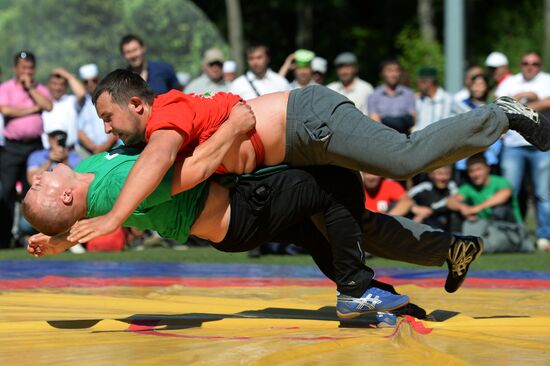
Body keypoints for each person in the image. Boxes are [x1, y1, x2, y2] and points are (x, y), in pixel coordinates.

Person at [66, 69, 550, 249]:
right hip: (294, 151)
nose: (105, 129)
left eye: (108, 116)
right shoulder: (143, 139)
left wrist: (114, 218)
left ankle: (499, 114)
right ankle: (449, 249)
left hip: (309, 122)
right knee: (348, 224)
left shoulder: (164, 115)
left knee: (403, 159)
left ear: (135, 103)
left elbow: (156, 165)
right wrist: (63, 234)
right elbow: (102, 177)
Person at [22, 145, 483, 319]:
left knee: (329, 229)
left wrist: (61, 238)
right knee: (336, 184)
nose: (37, 176)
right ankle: (358, 289)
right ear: (65, 198)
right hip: (240, 215)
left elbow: (99, 214)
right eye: (39, 188)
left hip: (240, 212)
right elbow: (195, 170)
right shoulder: (117, 188)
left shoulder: (86, 170)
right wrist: (233, 128)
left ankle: (396, 294)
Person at [495, 51, 550, 251]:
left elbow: (549, 102)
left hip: (542, 145)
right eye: (526, 62)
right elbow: (498, 104)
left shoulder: (547, 80)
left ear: (540, 64)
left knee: (543, 193)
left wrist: (517, 105)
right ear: (520, 64)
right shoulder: (510, 82)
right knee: (511, 191)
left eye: (535, 63)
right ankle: (513, 233)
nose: (530, 66)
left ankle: (544, 236)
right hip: (514, 145)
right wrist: (527, 97)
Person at [0, 51, 52, 248]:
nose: (27, 72)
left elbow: (47, 105)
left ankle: (31, 237)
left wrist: (31, 89)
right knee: (7, 192)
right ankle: (4, 238)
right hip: (12, 148)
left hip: (35, 147)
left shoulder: (39, 89)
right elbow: (6, 110)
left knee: (34, 193)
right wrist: (32, 109)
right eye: (23, 68)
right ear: (16, 69)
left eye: (30, 68)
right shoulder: (6, 88)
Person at [447, 153, 532, 253]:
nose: (475, 174)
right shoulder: (468, 187)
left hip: (510, 228)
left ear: (488, 168)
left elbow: (505, 194)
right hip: (486, 228)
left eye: (479, 169)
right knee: (455, 214)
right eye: (471, 171)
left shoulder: (499, 182)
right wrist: (463, 208)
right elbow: (450, 202)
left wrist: (477, 208)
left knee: (500, 210)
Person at [77, 63, 118, 158]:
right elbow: (79, 131)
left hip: (112, 148)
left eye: (94, 80)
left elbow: (116, 122)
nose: (90, 84)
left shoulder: (111, 98)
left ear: (99, 79)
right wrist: (94, 148)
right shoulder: (80, 103)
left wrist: (104, 147)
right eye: (86, 82)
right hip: (87, 152)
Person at [41, 68, 86, 151]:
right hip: (48, 152)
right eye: (54, 84)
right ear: (48, 85)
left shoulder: (71, 101)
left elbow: (82, 93)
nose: (58, 87)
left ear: (66, 86)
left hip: (70, 151)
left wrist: (67, 75)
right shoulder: (43, 104)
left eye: (62, 84)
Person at [368, 59, 416, 133]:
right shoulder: (374, 95)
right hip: (383, 137)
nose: (393, 74)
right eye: (389, 71)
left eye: (396, 70)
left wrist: (387, 121)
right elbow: (375, 121)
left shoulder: (408, 94)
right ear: (382, 73)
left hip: (404, 137)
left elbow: (413, 119)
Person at [408, 166, 460, 232]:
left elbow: (454, 200)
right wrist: (415, 208)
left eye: (447, 174)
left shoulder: (451, 186)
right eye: (439, 174)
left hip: (445, 226)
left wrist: (430, 210)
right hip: (424, 224)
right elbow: (405, 197)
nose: (443, 177)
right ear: (431, 175)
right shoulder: (425, 187)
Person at [415, 66, 455, 131]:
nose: (418, 83)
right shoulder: (418, 99)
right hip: (420, 140)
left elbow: (468, 114)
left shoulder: (448, 99)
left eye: (420, 81)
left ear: (429, 82)